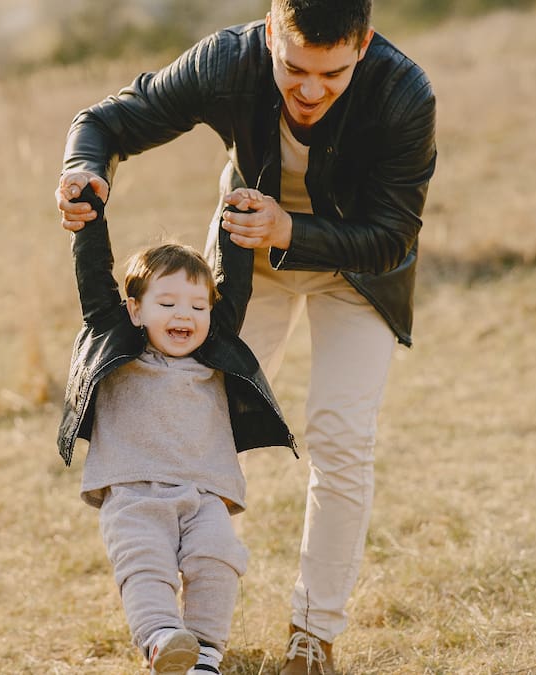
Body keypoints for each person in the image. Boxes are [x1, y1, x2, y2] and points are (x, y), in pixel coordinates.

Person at [54, 1, 436, 672]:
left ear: (364, 45)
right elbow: (108, 120)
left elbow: (393, 235)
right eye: (293, 69)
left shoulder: (404, 92)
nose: (310, 90)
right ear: (268, 35)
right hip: (243, 260)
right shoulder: (226, 62)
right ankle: (181, 623)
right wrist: (82, 169)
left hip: (359, 273)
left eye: (333, 73)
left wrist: (292, 230)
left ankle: (312, 633)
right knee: (199, 419)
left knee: (340, 434)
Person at [57, 185, 295, 674]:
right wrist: (88, 213)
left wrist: (237, 215)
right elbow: (93, 278)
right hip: (133, 492)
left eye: (196, 305)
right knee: (145, 565)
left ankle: (205, 654)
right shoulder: (119, 344)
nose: (183, 315)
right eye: (166, 304)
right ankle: (163, 638)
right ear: (135, 310)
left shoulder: (215, 349)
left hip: (206, 492)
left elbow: (236, 283)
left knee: (218, 559)